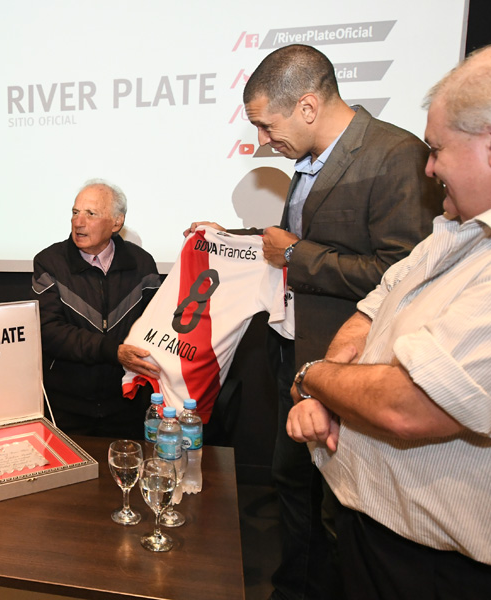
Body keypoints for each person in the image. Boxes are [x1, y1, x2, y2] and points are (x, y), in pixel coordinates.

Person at [190, 44, 443, 600]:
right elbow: (311, 242)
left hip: (352, 367)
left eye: (266, 125)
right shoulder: (309, 161)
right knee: (295, 485)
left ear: (307, 106)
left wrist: (294, 254)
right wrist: (234, 238)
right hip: (298, 357)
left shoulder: (395, 155)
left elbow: (404, 276)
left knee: (337, 508)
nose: (262, 141)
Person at [286, 39, 491, 599]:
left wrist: (314, 376)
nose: (429, 168)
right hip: (372, 535)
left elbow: (409, 406)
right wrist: (329, 388)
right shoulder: (456, 230)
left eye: (436, 150)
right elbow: (374, 307)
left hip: (441, 572)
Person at [32, 179, 161, 438]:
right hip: (67, 405)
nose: (78, 222)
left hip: (127, 403)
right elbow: (49, 331)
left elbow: (157, 325)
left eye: (91, 214)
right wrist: (112, 351)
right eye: (75, 212)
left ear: (116, 222)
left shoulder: (142, 264)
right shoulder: (50, 262)